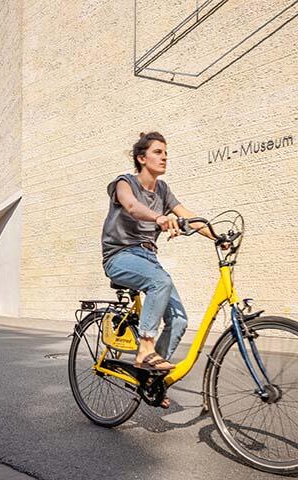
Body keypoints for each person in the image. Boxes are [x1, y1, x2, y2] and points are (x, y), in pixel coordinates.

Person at [102, 132, 220, 407]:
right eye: (157, 152)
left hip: (148, 258)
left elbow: (188, 216)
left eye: (166, 152)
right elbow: (131, 206)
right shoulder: (124, 183)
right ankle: (145, 346)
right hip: (119, 255)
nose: (164, 156)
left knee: (179, 321)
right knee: (160, 282)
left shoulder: (163, 190)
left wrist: (218, 237)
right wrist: (158, 217)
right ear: (142, 158)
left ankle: (150, 379)